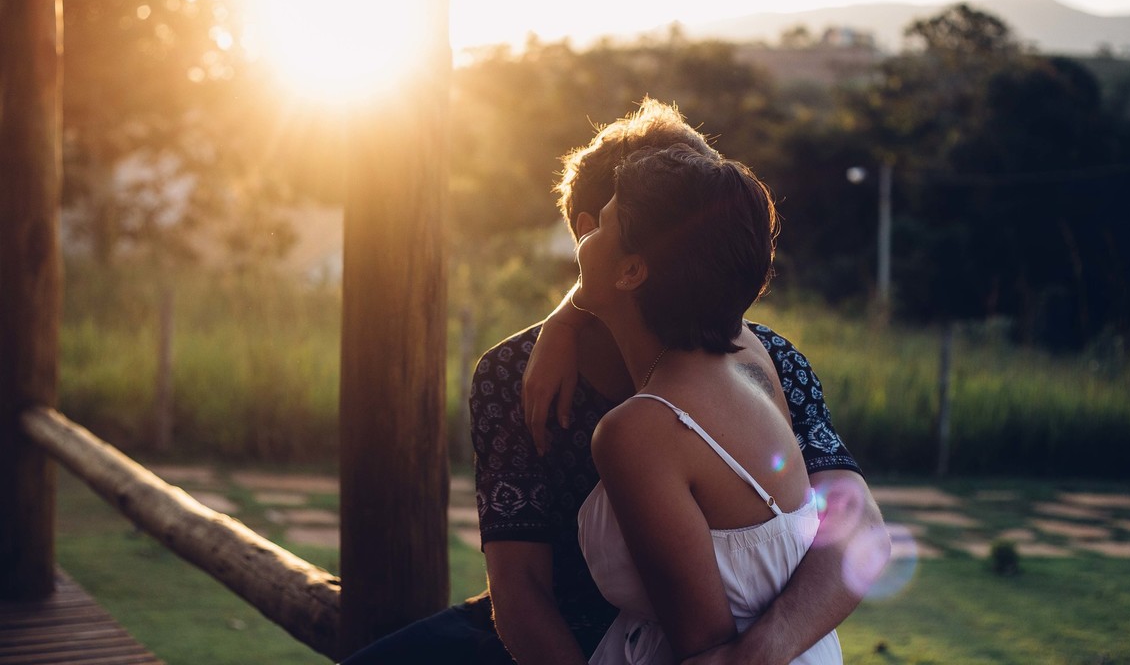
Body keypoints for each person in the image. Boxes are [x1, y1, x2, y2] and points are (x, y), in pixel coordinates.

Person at [342, 99, 888, 664]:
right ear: (590, 233)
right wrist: (567, 317)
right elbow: (519, 587)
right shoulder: (513, 372)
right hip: (558, 635)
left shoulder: (762, 358)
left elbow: (857, 527)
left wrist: (762, 650)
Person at [571, 142, 841, 663]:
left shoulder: (640, 430)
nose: (583, 241)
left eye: (599, 226)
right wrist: (564, 324)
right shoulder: (752, 361)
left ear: (631, 272)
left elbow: (703, 648)